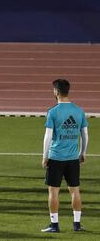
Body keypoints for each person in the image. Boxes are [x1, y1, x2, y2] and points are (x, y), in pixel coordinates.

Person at [41, 79, 88, 233]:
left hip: (56, 157)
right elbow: (85, 135)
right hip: (73, 158)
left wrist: (44, 156)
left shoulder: (53, 112)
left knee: (53, 191)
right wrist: (83, 152)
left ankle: (54, 225)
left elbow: (47, 137)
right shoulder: (79, 111)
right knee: (75, 190)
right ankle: (77, 224)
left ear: (56, 92)